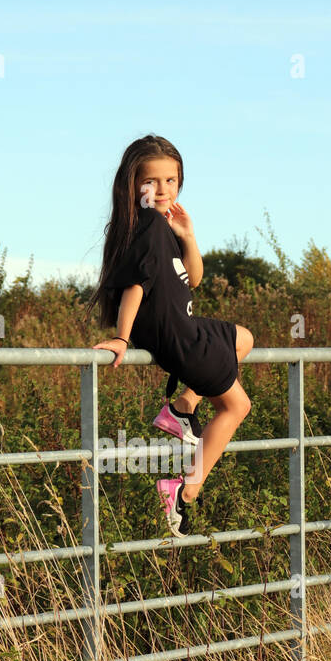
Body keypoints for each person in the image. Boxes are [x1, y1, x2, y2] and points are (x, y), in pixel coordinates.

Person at [87, 134, 253, 537]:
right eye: (152, 181)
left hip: (185, 326)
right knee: (236, 408)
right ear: (133, 185)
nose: (162, 190)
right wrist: (122, 338)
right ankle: (184, 489)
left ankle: (182, 409)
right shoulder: (147, 228)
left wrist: (188, 235)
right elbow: (136, 288)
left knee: (243, 338)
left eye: (171, 181)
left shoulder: (162, 227)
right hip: (176, 338)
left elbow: (193, 278)